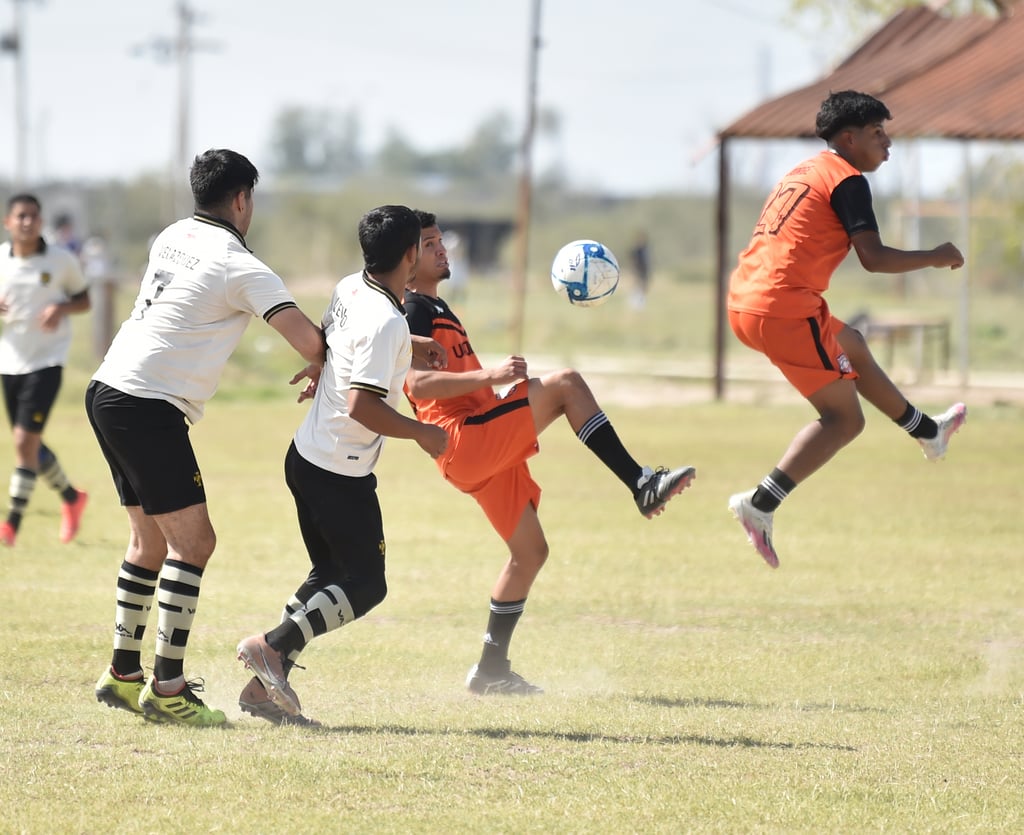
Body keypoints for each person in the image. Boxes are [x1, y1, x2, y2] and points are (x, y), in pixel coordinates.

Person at [404, 210, 696, 696]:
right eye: (430, 244)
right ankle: (641, 483)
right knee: (566, 386)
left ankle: (490, 671)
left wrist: (490, 390)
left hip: (470, 446)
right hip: (465, 439)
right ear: (407, 260)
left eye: (440, 241)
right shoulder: (415, 310)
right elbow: (415, 382)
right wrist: (491, 377)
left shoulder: (436, 307)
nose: (442, 249)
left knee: (530, 552)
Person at [88, 149, 328, 727]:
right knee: (193, 545)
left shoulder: (171, 234)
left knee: (148, 542)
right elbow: (311, 342)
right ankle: (167, 691)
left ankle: (124, 675)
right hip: (147, 404)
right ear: (243, 198)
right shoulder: (241, 264)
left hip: (108, 387)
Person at [726, 90, 967, 570]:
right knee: (845, 420)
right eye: (878, 133)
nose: (888, 143)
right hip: (783, 307)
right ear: (849, 138)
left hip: (747, 300)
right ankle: (761, 503)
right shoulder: (849, 180)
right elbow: (873, 259)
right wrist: (936, 256)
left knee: (850, 343)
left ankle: (926, 431)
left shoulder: (804, 171)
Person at [235, 205, 448, 724]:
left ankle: (265, 686)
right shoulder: (387, 323)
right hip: (338, 469)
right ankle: (270, 648)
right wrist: (422, 433)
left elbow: (334, 340)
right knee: (366, 584)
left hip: (307, 455)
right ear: (409, 256)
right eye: (424, 244)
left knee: (330, 573)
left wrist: (411, 347)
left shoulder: (352, 287)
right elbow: (363, 405)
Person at [0, 194, 91, 547]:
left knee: (24, 442)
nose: (28, 222)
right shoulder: (2, 260)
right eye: (21, 216)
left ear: (41, 221)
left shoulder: (61, 260)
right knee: (28, 446)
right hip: (10, 360)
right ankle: (71, 497)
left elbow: (84, 300)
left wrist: (60, 307)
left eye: (34, 216)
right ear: (9, 222)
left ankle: (11, 525)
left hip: (48, 360)